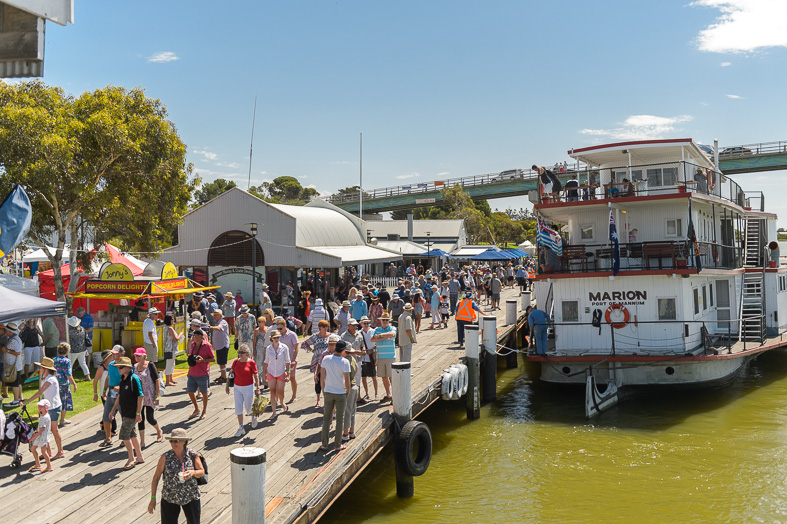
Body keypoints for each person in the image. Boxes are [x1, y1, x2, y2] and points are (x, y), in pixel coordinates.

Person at [148, 428, 204, 523]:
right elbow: (156, 478)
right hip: (170, 497)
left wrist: (192, 473)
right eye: (171, 441)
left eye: (176, 441)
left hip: (190, 496)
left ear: (184, 441)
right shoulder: (165, 457)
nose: (173, 444)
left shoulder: (192, 454)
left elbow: (201, 472)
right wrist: (153, 499)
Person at [22, 356, 64, 459]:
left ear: (46, 369)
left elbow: (40, 392)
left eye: (41, 367)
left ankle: (60, 452)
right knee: (45, 430)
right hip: (47, 407)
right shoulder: (46, 378)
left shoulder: (51, 379)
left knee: (54, 430)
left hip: (53, 407)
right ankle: (48, 452)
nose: (39, 369)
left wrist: (27, 401)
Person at [108, 356, 144, 470]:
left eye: (121, 367)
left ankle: (131, 458)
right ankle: (139, 456)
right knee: (132, 434)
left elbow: (140, 396)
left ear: (128, 367)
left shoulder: (134, 379)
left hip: (131, 412)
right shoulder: (122, 379)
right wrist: (113, 409)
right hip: (125, 412)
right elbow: (120, 396)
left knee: (124, 435)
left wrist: (138, 413)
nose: (119, 369)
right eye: (118, 367)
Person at [319, 336, 351, 452]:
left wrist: (323, 389)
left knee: (326, 419)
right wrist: (348, 391)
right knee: (339, 419)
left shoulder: (326, 359)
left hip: (328, 391)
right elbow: (347, 380)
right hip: (340, 392)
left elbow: (322, 376)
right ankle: (337, 444)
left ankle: (324, 444)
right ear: (343, 350)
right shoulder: (345, 362)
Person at [225, 344, 260, 437]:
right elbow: (230, 373)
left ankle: (253, 416)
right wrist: (227, 385)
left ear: (247, 354)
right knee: (238, 408)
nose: (240, 354)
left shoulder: (251, 362)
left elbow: (256, 376)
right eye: (239, 352)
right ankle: (241, 427)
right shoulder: (236, 361)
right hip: (237, 387)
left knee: (249, 407)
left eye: (242, 352)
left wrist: (258, 388)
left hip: (248, 387)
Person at [133, 347, 164, 448]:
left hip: (150, 395)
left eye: (138, 356)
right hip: (139, 397)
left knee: (150, 418)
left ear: (144, 356)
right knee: (140, 418)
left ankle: (158, 430)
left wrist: (157, 395)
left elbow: (157, 380)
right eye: (135, 356)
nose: (137, 357)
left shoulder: (150, 365)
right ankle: (142, 441)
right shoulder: (134, 367)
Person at [95, 345, 124, 447]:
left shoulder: (125, 365)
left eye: (115, 353)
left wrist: (120, 387)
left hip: (122, 393)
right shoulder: (111, 365)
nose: (113, 355)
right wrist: (104, 390)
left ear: (121, 354)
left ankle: (125, 439)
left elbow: (129, 379)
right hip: (111, 392)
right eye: (112, 353)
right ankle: (108, 439)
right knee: (106, 416)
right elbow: (108, 378)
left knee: (124, 417)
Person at [186, 329, 215, 420]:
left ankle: (204, 411)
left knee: (204, 393)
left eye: (194, 336)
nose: (193, 338)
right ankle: (196, 408)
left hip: (202, 373)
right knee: (190, 391)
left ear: (200, 337)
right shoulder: (193, 345)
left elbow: (213, 359)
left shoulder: (207, 345)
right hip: (192, 372)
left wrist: (203, 360)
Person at [303, 320, 332, 408]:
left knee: (328, 379)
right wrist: (312, 351)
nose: (325, 328)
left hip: (329, 361)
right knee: (318, 380)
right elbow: (304, 344)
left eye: (326, 326)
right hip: (317, 360)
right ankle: (318, 399)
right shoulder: (315, 336)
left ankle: (327, 398)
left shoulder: (331, 336)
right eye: (323, 326)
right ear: (319, 327)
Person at [264, 329, 291, 420]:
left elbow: (288, 362)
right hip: (271, 371)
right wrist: (264, 373)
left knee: (280, 392)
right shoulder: (268, 348)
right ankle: (274, 412)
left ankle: (282, 402)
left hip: (281, 372)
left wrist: (288, 374)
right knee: (272, 392)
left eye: (278, 337)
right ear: (271, 338)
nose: (276, 339)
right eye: (274, 338)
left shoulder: (284, 347)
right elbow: (266, 361)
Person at [372, 313, 396, 402]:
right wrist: (385, 336)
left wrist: (381, 336)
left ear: (389, 321)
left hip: (390, 356)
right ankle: (388, 394)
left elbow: (392, 334)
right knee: (384, 377)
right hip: (381, 357)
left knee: (392, 377)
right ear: (380, 321)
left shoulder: (392, 328)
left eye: (386, 320)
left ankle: (395, 395)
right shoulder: (377, 329)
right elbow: (373, 339)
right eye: (383, 320)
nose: (385, 321)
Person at [340, 339, 361, 443]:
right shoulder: (352, 358)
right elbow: (356, 369)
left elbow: (345, 377)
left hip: (349, 387)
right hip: (355, 386)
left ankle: (345, 433)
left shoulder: (345, 361)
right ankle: (352, 431)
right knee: (353, 410)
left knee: (347, 411)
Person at [276, 317, 300, 404]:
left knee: (292, 377)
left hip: (291, 359)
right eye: (278, 329)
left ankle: (294, 396)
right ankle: (280, 397)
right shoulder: (278, 336)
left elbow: (297, 346)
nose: (279, 330)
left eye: (280, 328)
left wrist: (293, 359)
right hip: (281, 361)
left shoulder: (292, 334)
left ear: (285, 326)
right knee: (280, 379)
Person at [53, 343, 76, 427]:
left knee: (55, 401)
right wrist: (74, 383)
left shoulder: (54, 359)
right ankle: (62, 420)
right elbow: (68, 374)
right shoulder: (67, 361)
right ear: (67, 352)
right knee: (64, 402)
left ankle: (53, 419)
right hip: (63, 385)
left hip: (54, 384)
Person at [29, 399, 53, 473]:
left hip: (42, 437)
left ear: (46, 407)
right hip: (39, 436)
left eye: (41, 406)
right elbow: (39, 426)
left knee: (43, 451)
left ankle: (49, 466)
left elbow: (42, 428)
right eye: (39, 406)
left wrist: (34, 437)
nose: (39, 407)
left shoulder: (45, 417)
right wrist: (36, 431)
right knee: (33, 449)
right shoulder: (42, 415)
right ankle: (38, 464)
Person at [358, 316, 378, 401]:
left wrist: (373, 350)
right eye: (364, 323)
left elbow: (377, 344)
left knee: (374, 376)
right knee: (363, 377)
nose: (366, 325)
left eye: (367, 323)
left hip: (371, 357)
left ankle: (376, 393)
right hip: (363, 358)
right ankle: (367, 393)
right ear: (361, 324)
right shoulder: (359, 333)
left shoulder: (373, 331)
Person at [209, 310, 230, 384]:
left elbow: (219, 328)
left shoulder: (222, 322)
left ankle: (224, 377)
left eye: (216, 315)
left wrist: (210, 327)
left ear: (220, 316)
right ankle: (222, 375)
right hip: (219, 345)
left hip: (223, 345)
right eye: (213, 315)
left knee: (222, 362)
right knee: (220, 362)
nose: (214, 317)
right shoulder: (217, 322)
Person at [67, 315, 91, 380]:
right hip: (82, 349)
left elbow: (65, 336)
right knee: (83, 363)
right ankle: (87, 376)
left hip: (74, 350)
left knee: (70, 364)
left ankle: (69, 378)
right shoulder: (82, 329)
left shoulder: (70, 332)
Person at [164, 315, 183, 387]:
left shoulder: (166, 328)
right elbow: (176, 338)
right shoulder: (170, 328)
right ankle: (167, 381)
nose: (173, 320)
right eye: (172, 319)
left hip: (169, 348)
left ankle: (170, 379)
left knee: (172, 364)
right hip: (170, 349)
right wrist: (180, 334)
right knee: (169, 364)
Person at [253, 316, 269, 390]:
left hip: (266, 348)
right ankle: (258, 381)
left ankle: (265, 381)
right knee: (258, 364)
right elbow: (254, 340)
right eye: (258, 322)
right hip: (259, 349)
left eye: (260, 321)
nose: (259, 323)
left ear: (264, 322)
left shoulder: (267, 329)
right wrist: (253, 350)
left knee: (265, 364)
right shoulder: (256, 330)